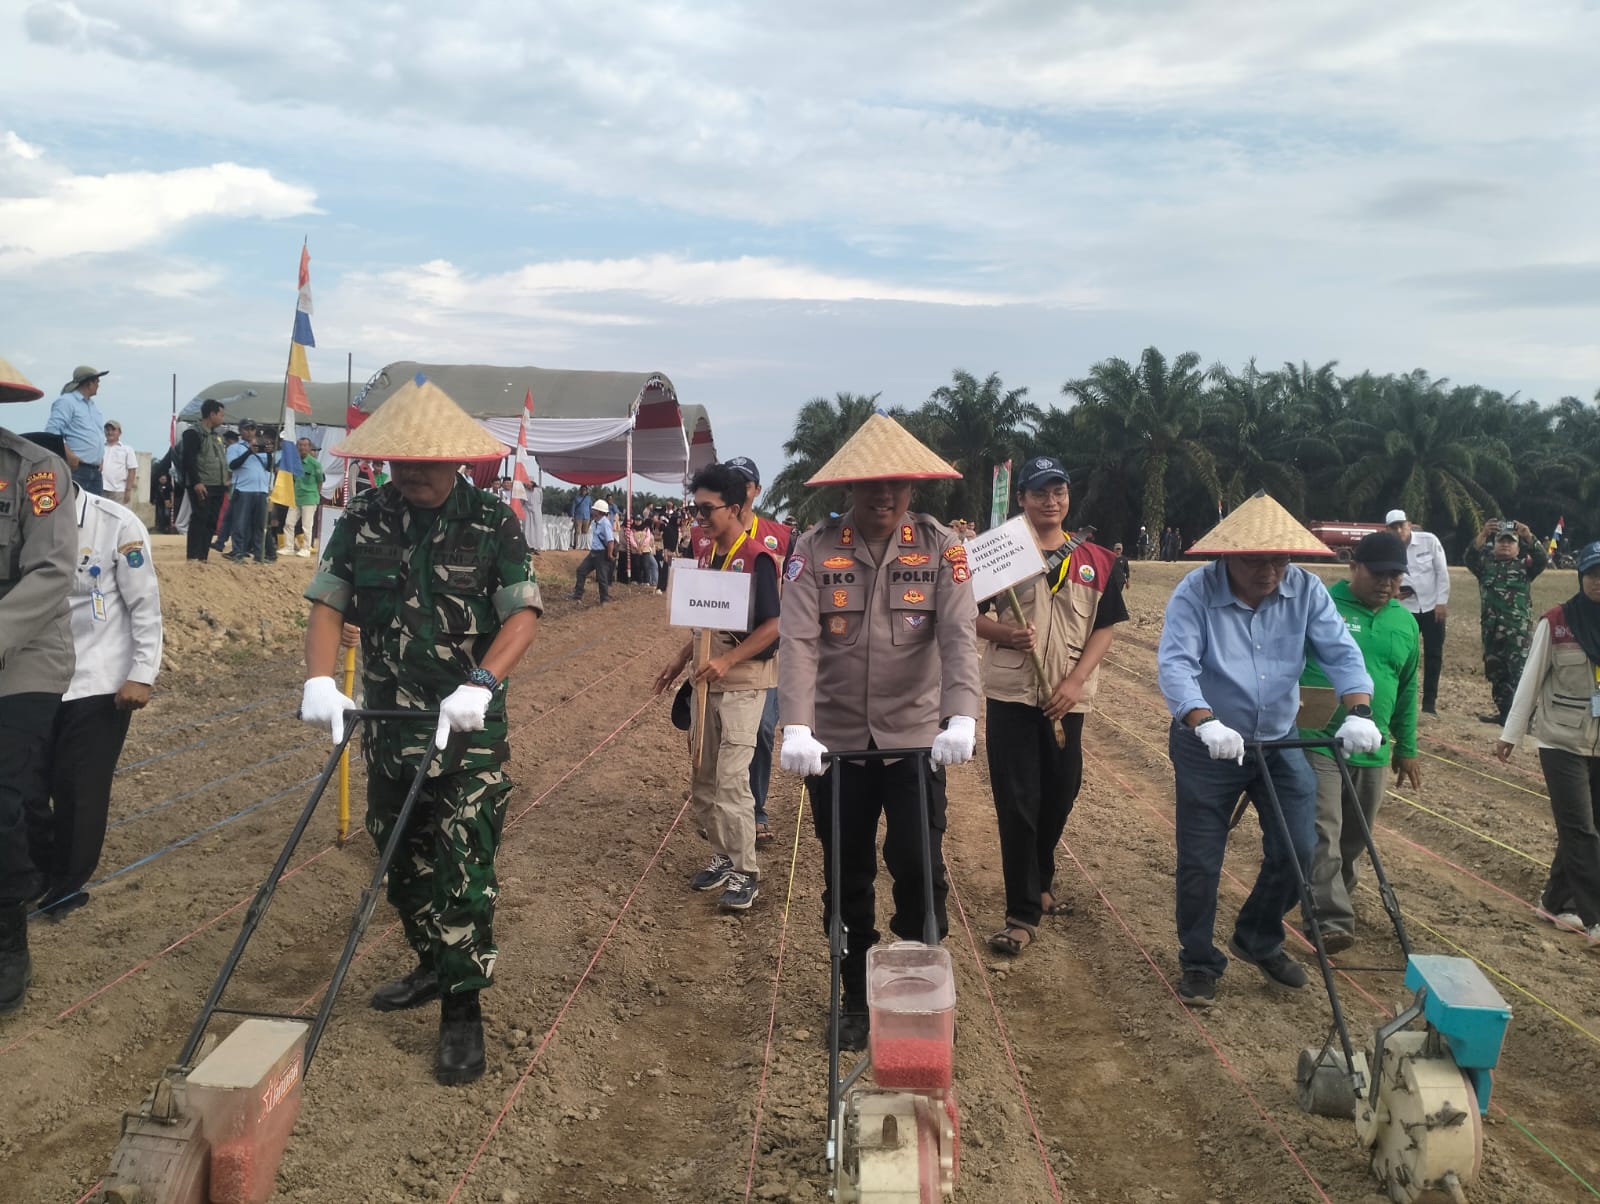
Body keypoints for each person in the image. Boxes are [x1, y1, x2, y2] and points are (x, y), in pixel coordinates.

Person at [299, 375, 541, 1086]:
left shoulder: (493, 525)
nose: (412, 475)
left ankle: (462, 1010)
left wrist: (483, 681)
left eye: (425, 463)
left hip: (469, 731)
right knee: (400, 862)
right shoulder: (365, 516)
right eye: (400, 463)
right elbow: (326, 601)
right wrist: (318, 679)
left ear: (456, 461)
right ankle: (435, 965)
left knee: (465, 867)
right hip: (390, 726)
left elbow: (522, 615)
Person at [778, 414, 980, 1050]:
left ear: (912, 489)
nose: (883, 497)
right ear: (849, 490)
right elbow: (799, 641)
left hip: (917, 737)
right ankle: (854, 992)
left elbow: (957, 635)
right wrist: (797, 727)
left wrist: (963, 715)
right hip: (835, 741)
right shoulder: (812, 550)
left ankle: (918, 985)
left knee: (919, 864)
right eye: (871, 486)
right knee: (847, 869)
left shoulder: (943, 549)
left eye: (895, 485)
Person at [1156, 493, 1377, 1008]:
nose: (1271, 571)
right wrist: (1203, 720)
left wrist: (1361, 711)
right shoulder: (1196, 592)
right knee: (1201, 859)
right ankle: (1198, 960)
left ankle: (1257, 935)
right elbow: (1176, 665)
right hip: (1208, 743)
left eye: (1280, 559)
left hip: (1278, 739)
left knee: (1300, 847)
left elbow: (1342, 653)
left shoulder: (1305, 591)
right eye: (1257, 560)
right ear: (1228, 555)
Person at [976, 456, 1125, 955]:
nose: (1050, 500)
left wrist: (1077, 682)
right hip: (1013, 693)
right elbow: (964, 614)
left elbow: (1104, 626)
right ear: (1022, 499)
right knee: (1018, 803)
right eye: (1039, 492)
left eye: (1058, 491)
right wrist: (1005, 632)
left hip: (1068, 697)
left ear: (1068, 497)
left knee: (1062, 792)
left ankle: (1040, 874)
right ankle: (1021, 911)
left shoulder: (1099, 559)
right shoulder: (1001, 552)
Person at [18, 432, 161, 918]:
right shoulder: (17, 521)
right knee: (27, 784)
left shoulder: (116, 524)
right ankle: (35, 872)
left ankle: (65, 885)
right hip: (31, 677)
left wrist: (141, 674)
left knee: (79, 788)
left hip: (98, 679)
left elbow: (144, 606)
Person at [653, 463, 782, 912]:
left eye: (707, 509)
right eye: (696, 508)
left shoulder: (756, 559)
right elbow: (703, 623)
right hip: (706, 680)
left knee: (731, 779)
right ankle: (724, 858)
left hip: (744, 682)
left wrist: (728, 660)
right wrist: (679, 660)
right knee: (703, 776)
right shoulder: (707, 556)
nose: (699, 517)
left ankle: (746, 871)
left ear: (734, 507)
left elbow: (773, 627)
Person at [1297, 531, 1419, 953]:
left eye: (1395, 575)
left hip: (1373, 745)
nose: (1388, 583)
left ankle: (1331, 902)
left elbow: (1407, 687)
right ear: (1354, 567)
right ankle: (1330, 919)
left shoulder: (1405, 622)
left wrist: (1407, 748)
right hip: (1318, 740)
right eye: (1379, 573)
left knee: (1355, 837)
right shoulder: (1322, 604)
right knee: (1323, 831)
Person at [0, 358, 76, 1013]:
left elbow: (51, 570)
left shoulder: (37, 473)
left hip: (22, 654)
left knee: (2, 799)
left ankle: (6, 940)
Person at [1496, 540, 1600, 943]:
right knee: (1580, 830)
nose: (1597, 582)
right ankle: (1594, 917)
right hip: (1560, 740)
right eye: (1591, 574)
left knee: (1589, 828)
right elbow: (1530, 680)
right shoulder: (1556, 622)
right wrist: (1511, 733)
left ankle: (1555, 903)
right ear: (1580, 576)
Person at [723, 456, 792, 845]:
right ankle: (729, 808)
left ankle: (757, 810)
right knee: (727, 734)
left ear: (756, 490)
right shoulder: (709, 535)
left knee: (763, 728)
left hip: (771, 650)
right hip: (726, 650)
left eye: (743, 482)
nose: (737, 487)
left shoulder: (777, 535)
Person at [1464, 518, 1547, 724]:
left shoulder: (1524, 567)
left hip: (1517, 633)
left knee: (1520, 675)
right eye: (1501, 541)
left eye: (1510, 541)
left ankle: (1524, 719)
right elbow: (1469, 557)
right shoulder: (1485, 565)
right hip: (1491, 630)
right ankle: (1504, 714)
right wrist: (1483, 535)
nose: (1505, 544)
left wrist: (1529, 536)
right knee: (1497, 674)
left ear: (1518, 547)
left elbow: (1542, 559)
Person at [1387, 508, 1450, 715]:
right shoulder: (1387, 548)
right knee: (1402, 655)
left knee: (1434, 655)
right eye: (1393, 527)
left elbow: (1442, 572)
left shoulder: (1429, 541)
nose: (1398, 530)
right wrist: (1393, 593)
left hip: (1433, 608)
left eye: (1401, 525)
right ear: (1387, 530)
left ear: (1409, 524)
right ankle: (1400, 700)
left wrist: (1441, 602)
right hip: (1405, 610)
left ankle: (1429, 704)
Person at [44, 365, 109, 496]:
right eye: (97, 381)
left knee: (92, 513)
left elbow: (95, 434)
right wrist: (68, 453)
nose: (98, 384)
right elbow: (52, 431)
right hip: (76, 469)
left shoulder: (92, 406)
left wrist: (99, 457)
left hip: (94, 471)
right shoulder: (66, 402)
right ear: (88, 383)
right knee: (71, 511)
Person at [181, 399, 230, 561]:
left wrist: (226, 480)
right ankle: (193, 557)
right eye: (221, 414)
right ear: (212, 414)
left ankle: (203, 557)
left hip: (218, 485)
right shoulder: (193, 433)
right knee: (199, 519)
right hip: (203, 485)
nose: (223, 418)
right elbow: (188, 459)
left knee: (211, 521)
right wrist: (196, 482)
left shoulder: (216, 436)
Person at [224, 422, 274, 563]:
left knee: (259, 525)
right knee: (240, 524)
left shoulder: (261, 446)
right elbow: (232, 465)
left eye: (252, 429)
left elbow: (269, 468)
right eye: (246, 429)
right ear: (240, 431)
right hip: (243, 489)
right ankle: (238, 553)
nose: (250, 432)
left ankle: (259, 556)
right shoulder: (235, 448)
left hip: (261, 490)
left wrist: (269, 453)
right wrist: (249, 452)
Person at [570, 497, 615, 603]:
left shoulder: (605, 523)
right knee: (581, 571)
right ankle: (578, 595)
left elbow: (610, 541)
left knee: (602, 577)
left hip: (601, 553)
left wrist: (609, 554)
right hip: (594, 552)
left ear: (599, 512)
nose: (592, 511)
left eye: (594, 510)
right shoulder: (595, 522)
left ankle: (604, 599)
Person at [292, 436, 324, 557]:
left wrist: (316, 495)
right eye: (300, 445)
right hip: (297, 497)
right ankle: (291, 546)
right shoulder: (295, 462)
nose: (303, 448)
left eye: (306, 446)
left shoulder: (316, 465)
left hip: (310, 497)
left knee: (307, 525)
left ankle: (306, 548)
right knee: (290, 523)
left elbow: (320, 481)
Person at [100, 422, 138, 506]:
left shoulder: (127, 449)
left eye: (113, 430)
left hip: (118, 491)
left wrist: (128, 490)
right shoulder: (100, 448)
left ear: (119, 433)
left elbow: (132, 470)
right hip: (101, 488)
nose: (110, 432)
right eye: (107, 430)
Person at [570, 485, 593, 550]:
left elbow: (590, 507)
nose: (583, 491)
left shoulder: (589, 498)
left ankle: (584, 545)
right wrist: (572, 516)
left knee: (585, 532)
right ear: (580, 490)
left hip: (587, 517)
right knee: (577, 531)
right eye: (582, 489)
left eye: (585, 490)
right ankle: (576, 545)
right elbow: (573, 507)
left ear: (586, 491)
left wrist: (592, 516)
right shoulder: (576, 498)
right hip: (578, 517)